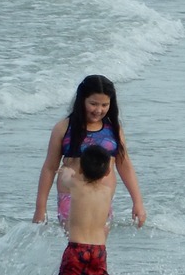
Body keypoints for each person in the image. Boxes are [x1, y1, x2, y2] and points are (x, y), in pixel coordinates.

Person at [33, 74, 147, 230]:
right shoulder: (64, 128)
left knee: (98, 246)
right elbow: (49, 167)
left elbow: (124, 165)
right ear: (82, 101)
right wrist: (41, 207)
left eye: (105, 105)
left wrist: (138, 202)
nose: (99, 110)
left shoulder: (114, 129)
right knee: (77, 245)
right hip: (71, 197)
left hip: (103, 198)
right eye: (93, 104)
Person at [52, 146, 116, 275]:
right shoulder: (106, 192)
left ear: (81, 170)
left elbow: (66, 178)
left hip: (76, 248)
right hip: (98, 251)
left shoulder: (76, 185)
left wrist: (66, 170)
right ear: (108, 171)